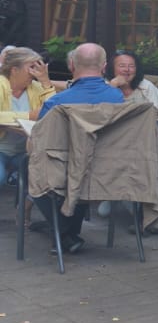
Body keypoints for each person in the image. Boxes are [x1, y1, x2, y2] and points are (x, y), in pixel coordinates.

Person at [35, 42, 125, 253]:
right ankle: (67, 234)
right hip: (106, 169)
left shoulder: (57, 102)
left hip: (65, 171)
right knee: (78, 169)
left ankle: (62, 231)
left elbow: (39, 142)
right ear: (104, 67)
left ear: (72, 65)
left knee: (31, 170)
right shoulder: (118, 98)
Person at [0, 47, 53, 187]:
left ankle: (25, 199)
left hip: (27, 151)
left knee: (45, 174)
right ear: (14, 70)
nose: (35, 72)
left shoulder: (36, 87)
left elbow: (54, 112)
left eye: (37, 67)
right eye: (31, 67)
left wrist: (46, 82)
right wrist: (29, 115)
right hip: (1, 149)